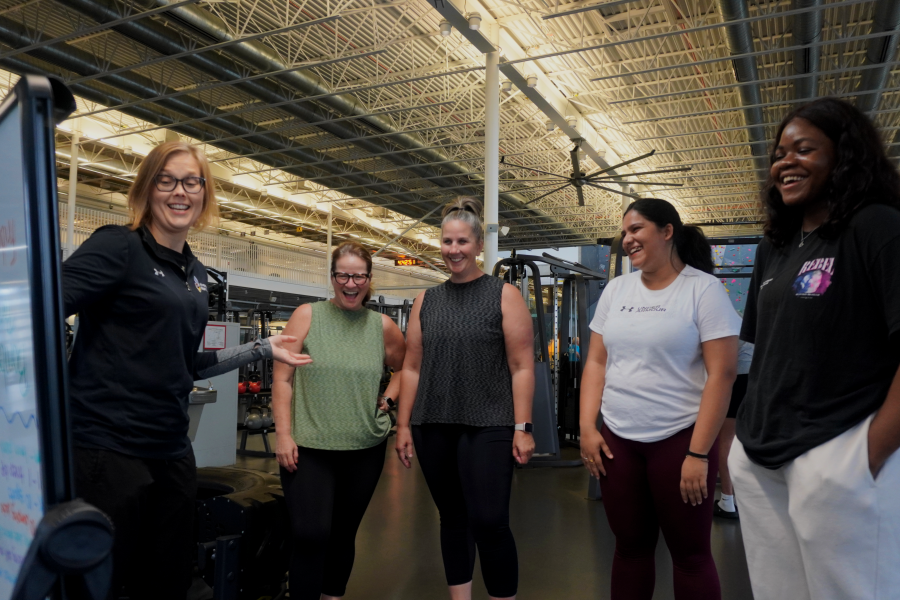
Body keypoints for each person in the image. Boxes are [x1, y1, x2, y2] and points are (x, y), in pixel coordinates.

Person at [62, 141, 310, 600]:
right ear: (147, 188)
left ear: (204, 193)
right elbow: (41, 306)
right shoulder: (119, 246)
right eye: (167, 180)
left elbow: (187, 362)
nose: (180, 192)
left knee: (168, 582)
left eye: (191, 182)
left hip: (172, 450)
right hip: (109, 449)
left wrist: (262, 347)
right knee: (99, 584)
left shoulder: (194, 274)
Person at [730, 97, 900, 600]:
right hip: (761, 456)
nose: (786, 162)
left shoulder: (877, 227)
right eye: (780, 153)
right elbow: (759, 352)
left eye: (804, 149)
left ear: (844, 156)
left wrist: (869, 453)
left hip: (838, 450)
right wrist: (734, 444)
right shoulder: (773, 248)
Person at [579, 197, 740, 600]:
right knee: (629, 550)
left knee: (691, 556)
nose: (627, 239)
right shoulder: (616, 290)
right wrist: (586, 427)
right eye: (624, 232)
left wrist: (699, 454)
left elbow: (722, 374)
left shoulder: (703, 290)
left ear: (667, 231)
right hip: (618, 441)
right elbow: (597, 362)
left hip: (679, 441)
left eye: (636, 230)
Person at [394, 196, 535, 600]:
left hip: (489, 419)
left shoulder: (503, 295)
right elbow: (411, 368)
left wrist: (523, 427)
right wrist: (403, 425)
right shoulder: (427, 300)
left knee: (490, 520)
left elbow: (522, 366)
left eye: (462, 242)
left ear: (477, 246)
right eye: (447, 241)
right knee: (453, 518)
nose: (453, 250)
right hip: (432, 421)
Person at [271, 241, 406, 600]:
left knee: (343, 534)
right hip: (309, 446)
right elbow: (282, 378)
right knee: (311, 533)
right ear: (332, 277)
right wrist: (282, 435)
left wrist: (388, 400)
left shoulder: (382, 326)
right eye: (343, 275)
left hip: (364, 448)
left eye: (359, 275)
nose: (351, 283)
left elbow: (406, 368)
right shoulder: (307, 315)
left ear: (369, 279)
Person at [714, 334, 753, 520]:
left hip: (739, 378)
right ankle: (746, 502)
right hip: (760, 379)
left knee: (726, 441)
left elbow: (724, 352)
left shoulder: (733, 320)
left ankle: (727, 501)